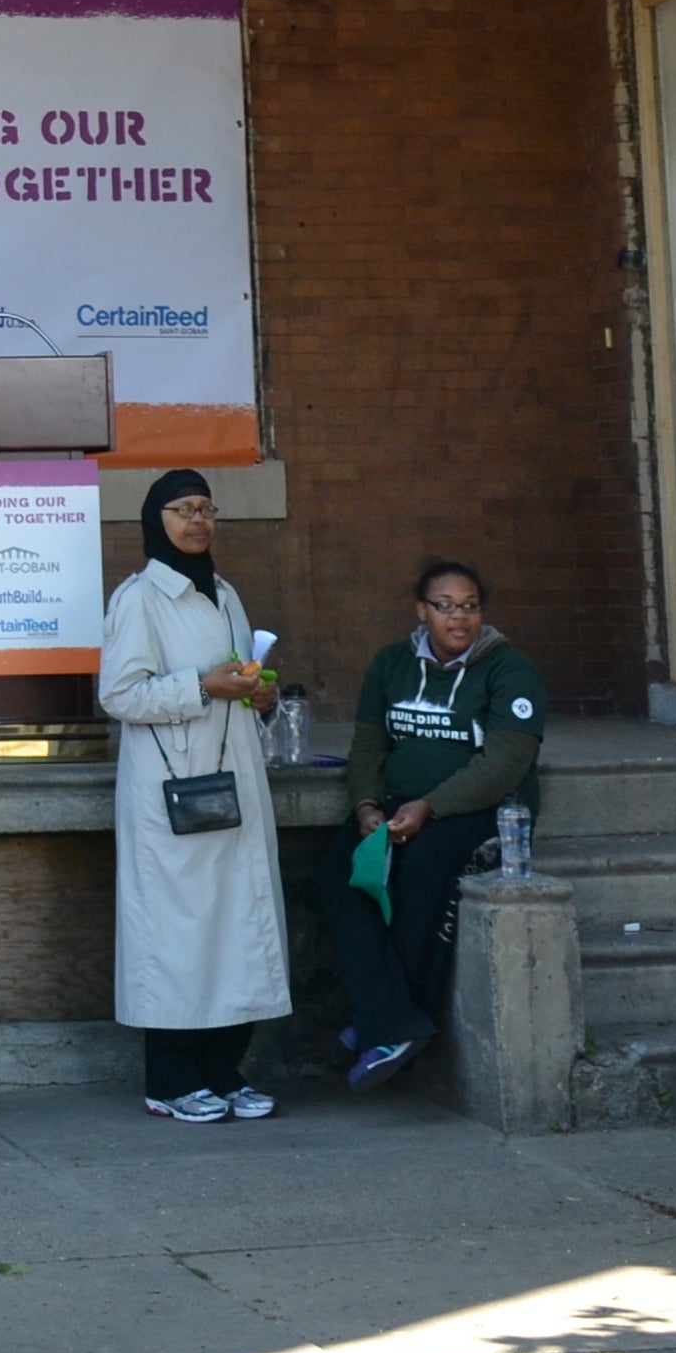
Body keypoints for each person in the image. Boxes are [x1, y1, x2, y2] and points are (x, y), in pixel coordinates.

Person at [96, 469, 289, 1124]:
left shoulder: (226, 593)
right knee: (178, 935)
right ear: (157, 519)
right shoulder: (140, 598)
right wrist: (201, 687)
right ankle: (171, 1080)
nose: (198, 521)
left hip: (231, 781)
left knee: (235, 927)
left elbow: (231, 678)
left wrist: (258, 693)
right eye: (184, 509)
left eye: (207, 508)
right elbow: (119, 695)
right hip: (171, 790)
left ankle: (224, 1071)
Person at [333, 557, 545, 1091]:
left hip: (483, 812)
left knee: (422, 867)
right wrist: (366, 805)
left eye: (470, 607)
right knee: (340, 872)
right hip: (401, 806)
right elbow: (367, 745)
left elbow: (504, 763)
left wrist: (429, 808)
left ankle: (390, 1026)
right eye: (445, 606)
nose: (459, 618)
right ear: (421, 611)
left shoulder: (509, 669)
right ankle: (390, 1022)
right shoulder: (391, 664)